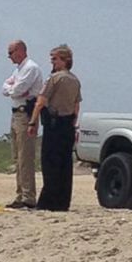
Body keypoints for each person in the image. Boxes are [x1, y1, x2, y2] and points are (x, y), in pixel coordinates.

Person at [28, 44, 81, 211]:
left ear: (65, 60)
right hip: (68, 125)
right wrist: (73, 122)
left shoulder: (54, 78)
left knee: (50, 163)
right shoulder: (75, 80)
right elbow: (76, 106)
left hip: (54, 124)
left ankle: (48, 201)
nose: (52, 62)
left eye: (55, 59)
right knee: (65, 165)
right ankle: (62, 201)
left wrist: (32, 121)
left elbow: (41, 101)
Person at [1, 40, 43, 209]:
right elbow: (6, 88)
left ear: (20, 51)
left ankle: (28, 196)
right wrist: (13, 89)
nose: (9, 56)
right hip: (15, 113)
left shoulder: (31, 68)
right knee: (17, 157)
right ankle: (20, 194)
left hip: (26, 113)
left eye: (11, 53)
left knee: (25, 157)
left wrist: (14, 89)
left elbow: (17, 90)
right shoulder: (18, 69)